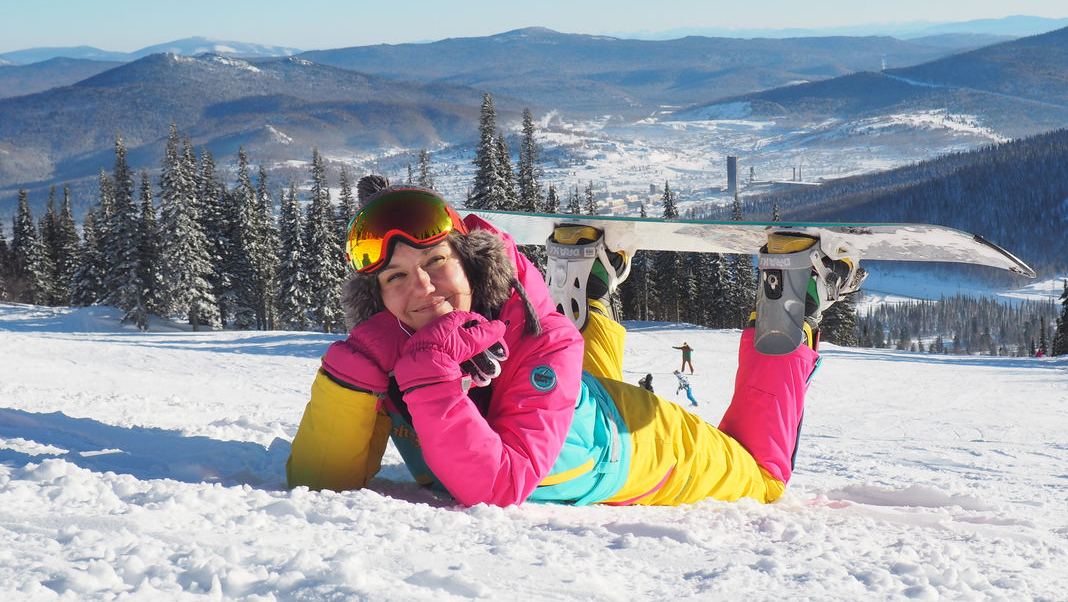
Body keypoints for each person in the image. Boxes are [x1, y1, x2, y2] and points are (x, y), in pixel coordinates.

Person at [286, 178, 864, 507]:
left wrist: (427, 373)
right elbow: (320, 479)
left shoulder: (538, 340)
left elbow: (500, 484)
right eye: (396, 276)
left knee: (762, 478)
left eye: (436, 262)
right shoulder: (391, 350)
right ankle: (585, 277)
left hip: (637, 448)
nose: (423, 289)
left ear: (468, 262)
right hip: (571, 411)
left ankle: (791, 296)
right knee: (572, 389)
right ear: (378, 296)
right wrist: (360, 365)